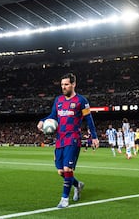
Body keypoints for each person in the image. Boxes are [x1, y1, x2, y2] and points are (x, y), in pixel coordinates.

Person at [37, 73, 99, 208]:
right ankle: (77, 185)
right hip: (60, 139)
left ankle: (64, 199)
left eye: (66, 84)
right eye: (62, 85)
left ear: (73, 84)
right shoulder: (58, 100)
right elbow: (53, 115)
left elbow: (89, 119)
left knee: (67, 168)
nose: (63, 87)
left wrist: (94, 136)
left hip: (73, 139)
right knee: (61, 172)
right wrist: (42, 121)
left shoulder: (82, 101)